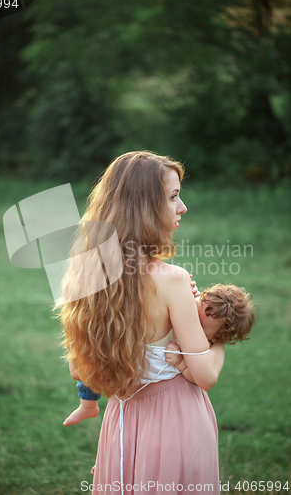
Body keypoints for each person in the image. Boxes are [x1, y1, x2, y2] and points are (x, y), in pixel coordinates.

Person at [61, 151, 227, 495]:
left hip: (122, 424)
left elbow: (81, 372)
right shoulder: (172, 280)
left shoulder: (84, 274)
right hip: (176, 423)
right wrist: (220, 337)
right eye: (173, 197)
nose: (182, 208)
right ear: (145, 207)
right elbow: (205, 376)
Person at [63, 282, 254, 426]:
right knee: (95, 363)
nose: (191, 321)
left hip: (153, 394)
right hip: (126, 371)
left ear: (217, 338)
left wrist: (181, 363)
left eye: (201, 326)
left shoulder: (205, 347)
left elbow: (198, 378)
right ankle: (89, 408)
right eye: (196, 309)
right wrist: (186, 292)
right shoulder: (182, 309)